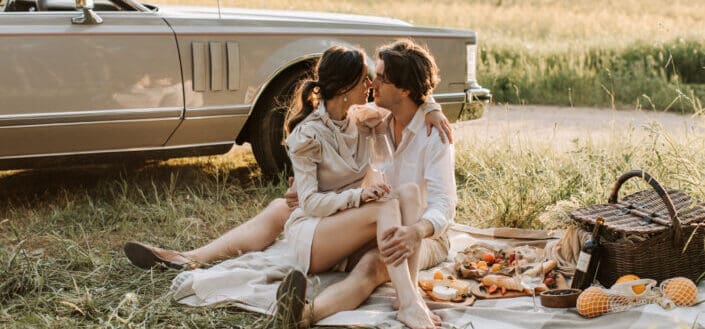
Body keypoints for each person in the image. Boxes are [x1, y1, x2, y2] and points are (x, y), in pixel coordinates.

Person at [124, 39, 455, 328]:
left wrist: (418, 231)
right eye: (372, 77)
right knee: (285, 205)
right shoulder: (377, 117)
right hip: (377, 217)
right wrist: (314, 184)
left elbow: (444, 205)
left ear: (405, 89)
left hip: (421, 232)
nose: (372, 84)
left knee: (372, 261)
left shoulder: (433, 133)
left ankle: (306, 315)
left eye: (380, 79)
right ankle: (189, 256)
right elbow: (345, 114)